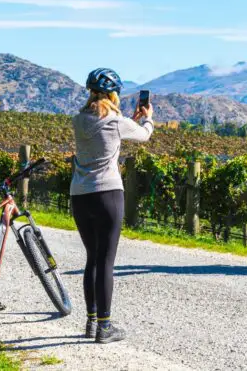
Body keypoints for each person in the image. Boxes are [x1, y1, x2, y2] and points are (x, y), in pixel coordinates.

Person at [71, 67, 153, 343]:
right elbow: (142, 136)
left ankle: (91, 322)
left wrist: (129, 120)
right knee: (107, 260)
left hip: (80, 195)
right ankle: (105, 327)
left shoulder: (79, 120)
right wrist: (148, 119)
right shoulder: (116, 120)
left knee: (92, 258)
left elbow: (105, 134)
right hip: (107, 194)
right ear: (113, 94)